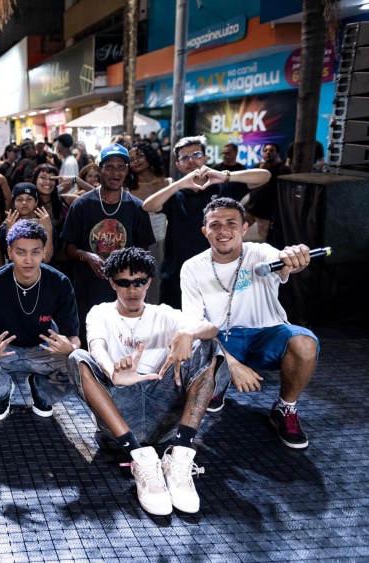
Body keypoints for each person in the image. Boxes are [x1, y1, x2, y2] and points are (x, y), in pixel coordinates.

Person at [68, 247, 228, 515]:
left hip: (164, 413)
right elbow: (96, 346)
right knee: (77, 357)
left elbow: (212, 328)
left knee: (210, 347)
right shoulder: (100, 312)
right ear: (111, 282)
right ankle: (140, 458)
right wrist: (113, 373)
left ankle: (180, 455)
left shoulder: (164, 313)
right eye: (124, 283)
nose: (133, 290)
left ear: (149, 282)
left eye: (140, 282)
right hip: (119, 415)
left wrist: (188, 333)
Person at [180, 198, 318, 449]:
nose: (223, 231)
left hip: (266, 333)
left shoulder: (261, 253)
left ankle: (285, 408)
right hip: (220, 337)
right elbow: (194, 324)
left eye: (231, 223)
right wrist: (229, 364)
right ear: (205, 231)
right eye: (215, 225)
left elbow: (285, 259)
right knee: (196, 342)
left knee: (306, 343)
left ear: (244, 228)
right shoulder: (192, 267)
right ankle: (218, 382)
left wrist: (296, 257)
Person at [0, 220, 80, 420]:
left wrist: (71, 348)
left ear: (45, 252)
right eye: (21, 252)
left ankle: (42, 391)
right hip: (4, 350)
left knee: (79, 365)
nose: (28, 260)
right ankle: (1, 394)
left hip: (43, 349)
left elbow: (73, 335)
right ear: (9, 252)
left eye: (35, 252)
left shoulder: (59, 282)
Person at [142, 135, 270, 309]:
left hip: (219, 274)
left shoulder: (224, 186)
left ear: (205, 158)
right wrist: (178, 185)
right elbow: (148, 206)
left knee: (215, 328)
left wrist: (225, 176)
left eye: (196, 155)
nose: (191, 161)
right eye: (184, 158)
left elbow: (264, 176)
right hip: (177, 274)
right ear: (178, 165)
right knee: (174, 328)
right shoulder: (175, 194)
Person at [62, 143, 155, 347]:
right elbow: (68, 247)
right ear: (99, 170)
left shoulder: (137, 207)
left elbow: (144, 251)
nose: (116, 172)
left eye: (121, 167)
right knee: (90, 343)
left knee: (122, 344)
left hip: (124, 292)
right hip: (87, 290)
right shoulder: (82, 205)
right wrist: (87, 256)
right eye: (110, 166)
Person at [128, 141, 171, 305]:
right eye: (132, 159)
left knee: (160, 284)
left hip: (164, 241)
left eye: (140, 155)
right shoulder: (127, 187)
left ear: (150, 156)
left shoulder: (167, 183)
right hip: (137, 243)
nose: (136, 161)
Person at [245, 143, 291, 242]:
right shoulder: (258, 166)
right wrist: (261, 170)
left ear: (277, 154)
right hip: (251, 208)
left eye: (271, 150)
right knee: (235, 229)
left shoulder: (283, 169)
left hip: (266, 212)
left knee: (265, 241)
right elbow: (250, 182)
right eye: (265, 151)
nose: (268, 153)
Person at [0, 182, 54, 264]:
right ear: (13, 204)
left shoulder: (45, 225)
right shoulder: (6, 227)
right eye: (19, 199)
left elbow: (46, 259)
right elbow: (10, 257)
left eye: (29, 199)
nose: (24, 202)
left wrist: (48, 229)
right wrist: (9, 231)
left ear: (36, 202)